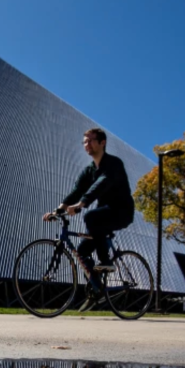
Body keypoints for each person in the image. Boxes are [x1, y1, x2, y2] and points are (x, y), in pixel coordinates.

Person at [42, 128, 135, 310]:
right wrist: (57, 211)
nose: (87, 144)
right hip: (104, 216)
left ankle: (106, 262)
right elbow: (76, 191)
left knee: (91, 216)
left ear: (102, 143)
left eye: (91, 140)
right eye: (85, 141)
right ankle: (97, 289)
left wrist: (81, 204)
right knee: (82, 253)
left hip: (122, 212)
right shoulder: (89, 170)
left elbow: (103, 183)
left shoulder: (114, 164)